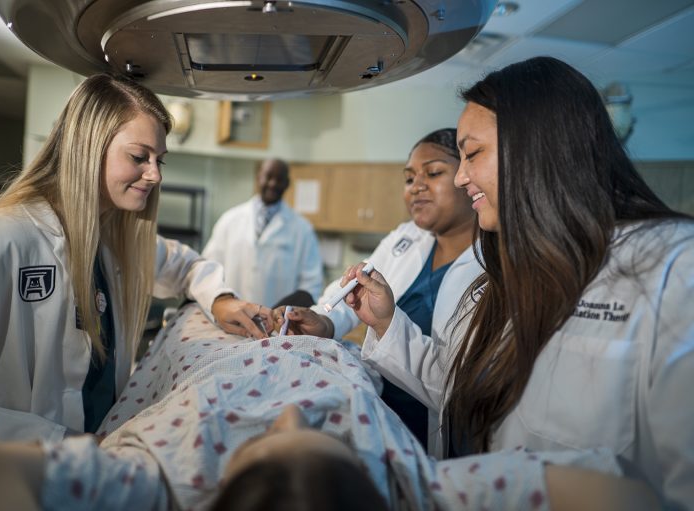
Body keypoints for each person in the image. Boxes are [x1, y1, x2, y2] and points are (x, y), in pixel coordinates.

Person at [342, 56, 694, 509]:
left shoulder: (672, 266)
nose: (462, 175)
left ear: (538, 147)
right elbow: (460, 391)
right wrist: (389, 324)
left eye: (472, 154)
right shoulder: (501, 272)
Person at [0, 303, 660, 511]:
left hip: (221, 356)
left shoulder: (161, 483)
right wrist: (315, 329)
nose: (292, 416)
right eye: (326, 437)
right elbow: (620, 491)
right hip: (325, 355)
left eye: (263, 444)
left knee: (195, 324)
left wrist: (223, 312)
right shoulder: (412, 490)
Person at [0, 73, 273, 457]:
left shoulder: (111, 244)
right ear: (86, 147)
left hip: (90, 473)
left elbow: (185, 266)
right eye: (139, 157)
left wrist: (221, 298)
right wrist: (56, 442)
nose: (155, 175)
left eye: (159, 160)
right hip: (11, 480)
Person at [274, 129, 482, 449]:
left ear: (468, 177)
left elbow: (462, 385)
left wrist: (386, 324)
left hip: (432, 432)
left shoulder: (490, 268)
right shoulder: (406, 237)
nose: (416, 186)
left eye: (434, 173)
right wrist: (325, 321)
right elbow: (356, 288)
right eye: (409, 178)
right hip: (378, 414)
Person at [202, 158, 323, 308]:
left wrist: (288, 316)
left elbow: (311, 286)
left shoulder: (303, 230)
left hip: (277, 325)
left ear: (287, 184)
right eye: (268, 176)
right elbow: (209, 269)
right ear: (258, 177)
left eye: (279, 179)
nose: (273, 183)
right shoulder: (229, 220)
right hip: (231, 316)